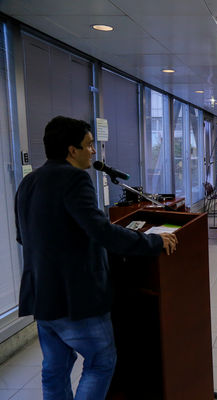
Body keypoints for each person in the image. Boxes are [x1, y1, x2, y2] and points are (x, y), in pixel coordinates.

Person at [14, 116, 178, 400]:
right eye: (89, 145)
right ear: (71, 150)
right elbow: (102, 233)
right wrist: (152, 242)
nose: (93, 151)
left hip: (42, 298)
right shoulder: (75, 179)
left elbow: (23, 236)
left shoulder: (29, 182)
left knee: (54, 370)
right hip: (76, 300)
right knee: (101, 362)